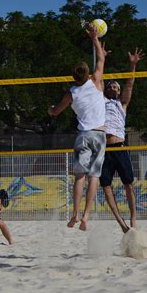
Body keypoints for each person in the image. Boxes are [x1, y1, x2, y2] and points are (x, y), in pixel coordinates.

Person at [48, 25, 109, 231]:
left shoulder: (71, 92)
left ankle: (74, 214)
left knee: (79, 177)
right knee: (94, 177)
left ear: (74, 76)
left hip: (83, 135)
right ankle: (85, 216)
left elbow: (56, 112)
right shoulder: (97, 82)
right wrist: (95, 39)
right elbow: (101, 59)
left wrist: (51, 111)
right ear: (88, 74)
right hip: (99, 135)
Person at [100, 48, 144, 233]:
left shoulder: (121, 103)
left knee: (128, 184)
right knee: (106, 186)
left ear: (118, 91)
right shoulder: (100, 101)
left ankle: (133, 217)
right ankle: (121, 224)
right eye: (110, 86)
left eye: (115, 87)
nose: (112, 88)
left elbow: (130, 84)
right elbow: (98, 78)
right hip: (104, 150)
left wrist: (133, 65)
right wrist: (101, 56)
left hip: (119, 147)